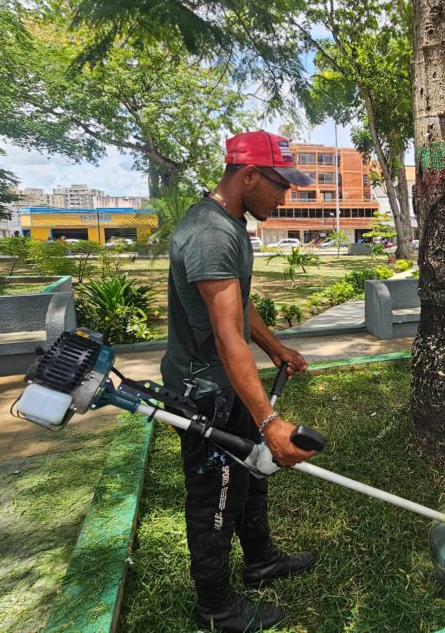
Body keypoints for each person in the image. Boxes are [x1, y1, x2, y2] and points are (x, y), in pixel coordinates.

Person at [162, 130, 317, 632]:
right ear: (248, 175)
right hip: (203, 392)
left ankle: (261, 560)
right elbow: (228, 338)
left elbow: (237, 301)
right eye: (279, 185)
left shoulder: (227, 224)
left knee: (252, 474)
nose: (284, 195)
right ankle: (216, 609)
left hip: (222, 383)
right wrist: (268, 419)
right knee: (216, 495)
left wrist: (276, 348)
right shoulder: (210, 234)